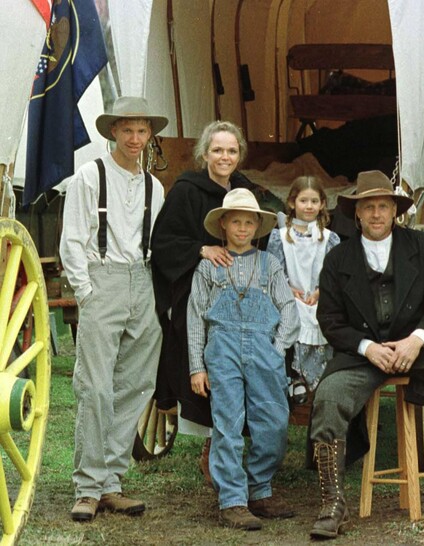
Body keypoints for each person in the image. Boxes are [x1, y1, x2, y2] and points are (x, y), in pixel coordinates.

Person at [308, 170, 424, 539]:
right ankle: (332, 504)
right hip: (363, 353)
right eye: (369, 207)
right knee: (328, 399)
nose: (377, 214)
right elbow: (329, 320)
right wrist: (368, 348)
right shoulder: (337, 258)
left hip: (417, 346)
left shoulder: (420, 246)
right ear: (357, 214)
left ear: (394, 211)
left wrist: (417, 340)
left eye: (383, 206)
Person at [60, 96, 168, 522]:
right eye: (128, 130)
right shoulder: (89, 177)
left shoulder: (154, 187)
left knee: (136, 382)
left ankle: (111, 482)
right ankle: (87, 486)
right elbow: (72, 240)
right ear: (113, 133)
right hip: (101, 278)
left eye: (142, 131)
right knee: (95, 386)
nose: (136, 139)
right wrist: (86, 292)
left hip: (142, 281)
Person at [150, 120, 258, 483]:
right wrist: (201, 249)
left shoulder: (244, 189)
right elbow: (163, 243)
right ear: (204, 154)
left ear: (239, 154)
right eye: (218, 150)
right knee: (208, 338)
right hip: (195, 288)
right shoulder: (186, 191)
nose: (224, 157)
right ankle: (212, 446)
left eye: (231, 150)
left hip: (241, 289)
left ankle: (239, 437)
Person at [187, 188, 300, 530]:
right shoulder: (209, 266)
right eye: (235, 221)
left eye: (248, 222)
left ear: (257, 226)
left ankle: (259, 488)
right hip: (222, 349)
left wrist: (277, 348)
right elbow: (195, 317)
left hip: (264, 351)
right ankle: (233, 500)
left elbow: (289, 310)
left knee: (274, 422)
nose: (242, 228)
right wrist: (197, 366)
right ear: (223, 224)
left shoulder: (270, 264)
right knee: (228, 423)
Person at [267, 176, 341, 392]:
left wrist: (320, 291)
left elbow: (333, 275)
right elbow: (274, 273)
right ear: (292, 203)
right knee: (292, 313)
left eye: (314, 201)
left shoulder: (330, 238)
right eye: (303, 201)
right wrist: (288, 290)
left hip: (319, 297)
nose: (309, 206)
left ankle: (321, 378)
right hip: (289, 296)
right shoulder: (279, 237)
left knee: (322, 315)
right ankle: (294, 376)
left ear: (322, 204)